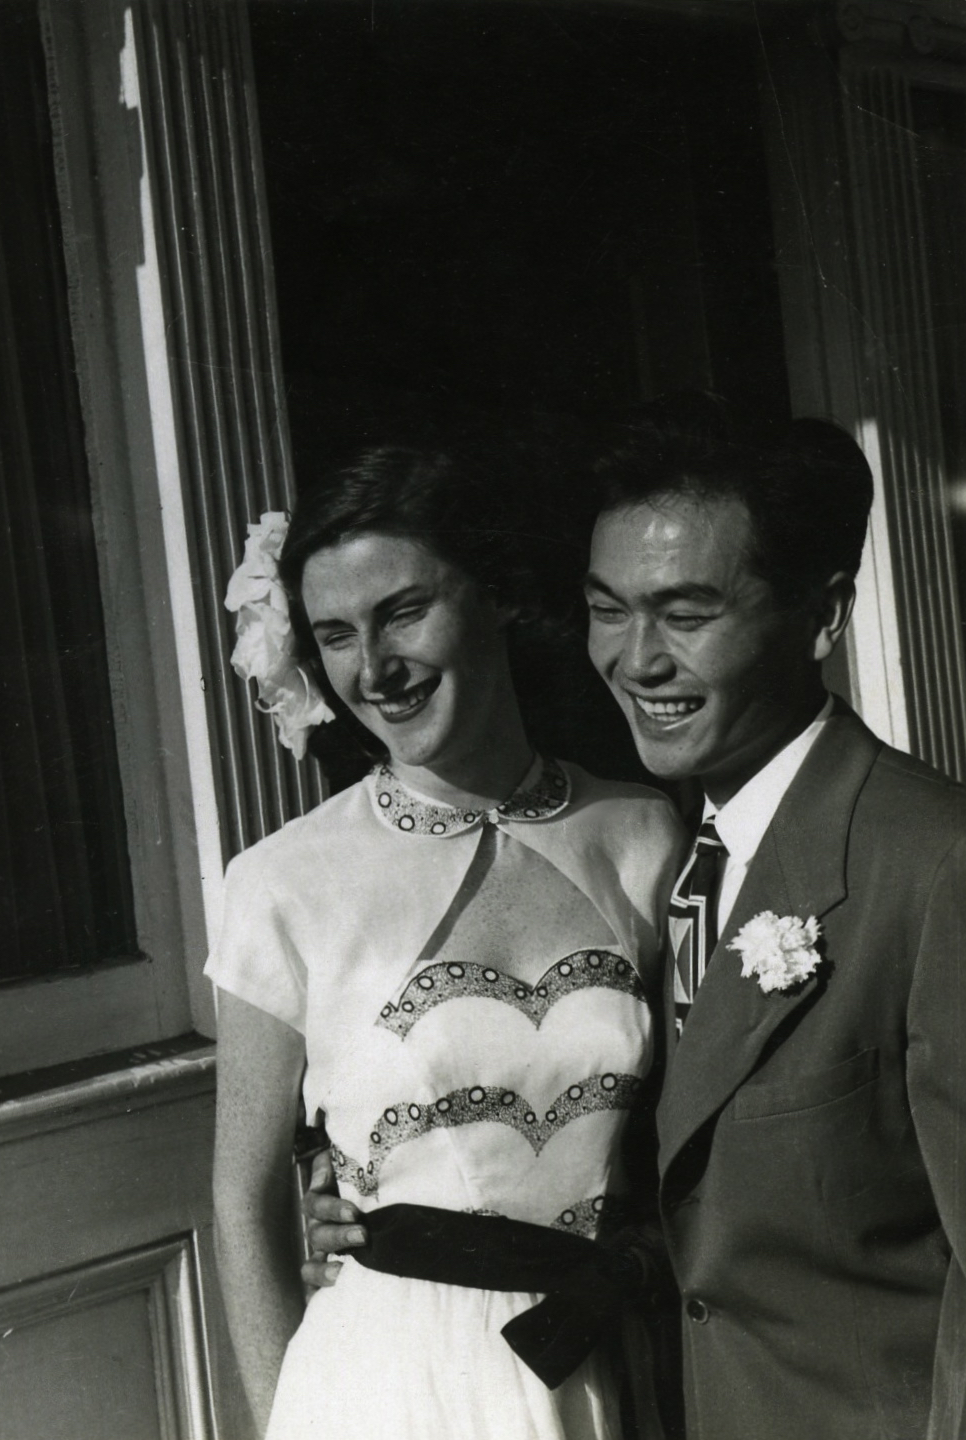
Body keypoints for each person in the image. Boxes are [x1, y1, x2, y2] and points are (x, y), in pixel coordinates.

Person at [307, 410, 965, 1440]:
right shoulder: (666, 850)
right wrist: (371, 1190)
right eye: (606, 611)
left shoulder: (933, 863)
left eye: (685, 614)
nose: (633, 660)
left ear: (822, 615)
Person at [206, 444, 687, 1440]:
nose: (370, 670)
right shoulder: (281, 885)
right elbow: (244, 1196)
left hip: (606, 1359)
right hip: (390, 1379)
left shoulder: (643, 834)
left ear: (496, 594)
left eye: (401, 612)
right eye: (333, 635)